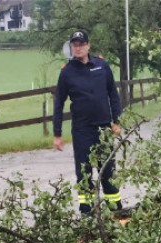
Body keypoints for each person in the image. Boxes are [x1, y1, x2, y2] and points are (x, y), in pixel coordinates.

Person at [53, 30, 123, 215]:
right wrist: (57, 134)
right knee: (84, 173)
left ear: (88, 46)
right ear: (71, 48)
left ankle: (116, 212)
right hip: (82, 130)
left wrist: (117, 121)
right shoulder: (67, 73)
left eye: (81, 44)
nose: (78, 48)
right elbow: (58, 103)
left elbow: (113, 95)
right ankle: (87, 214)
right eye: (74, 45)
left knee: (108, 172)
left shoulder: (102, 65)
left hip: (104, 128)